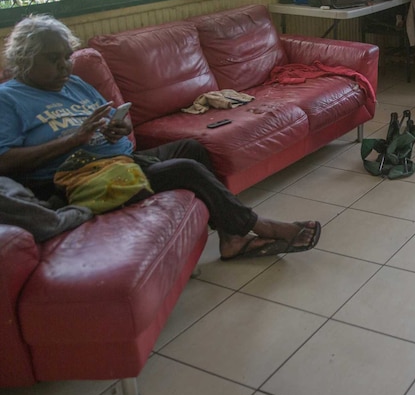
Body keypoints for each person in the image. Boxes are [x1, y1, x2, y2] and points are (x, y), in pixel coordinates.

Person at [0, 14, 320, 260]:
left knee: (191, 148)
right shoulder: (8, 99)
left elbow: (113, 118)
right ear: (25, 60)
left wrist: (119, 128)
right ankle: (258, 225)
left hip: (120, 159)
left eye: (67, 56)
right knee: (184, 169)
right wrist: (73, 139)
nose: (64, 66)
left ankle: (231, 237)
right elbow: (5, 162)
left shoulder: (74, 84)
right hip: (80, 178)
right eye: (53, 59)